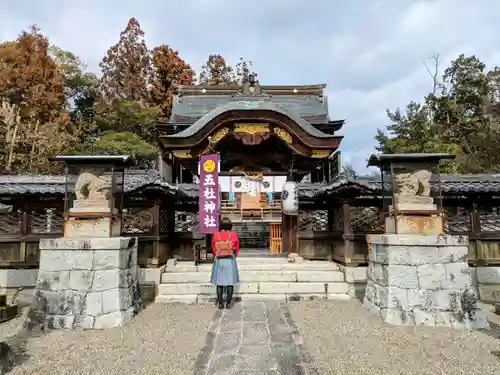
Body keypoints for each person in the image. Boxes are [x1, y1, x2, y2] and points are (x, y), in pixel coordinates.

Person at [210, 217, 240, 309]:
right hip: (230, 259)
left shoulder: (216, 235)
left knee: (220, 283)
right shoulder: (233, 235)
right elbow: (236, 248)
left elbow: (213, 247)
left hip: (219, 259)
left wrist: (217, 254)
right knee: (229, 282)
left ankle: (220, 303)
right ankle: (228, 303)